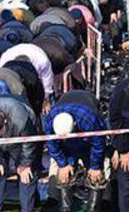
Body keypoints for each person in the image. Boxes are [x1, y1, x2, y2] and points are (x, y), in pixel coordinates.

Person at [46, 90, 106, 212]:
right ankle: (65, 209)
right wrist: (63, 164)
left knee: (96, 176)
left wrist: (95, 166)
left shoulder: (89, 119)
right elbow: (52, 144)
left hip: (88, 136)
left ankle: (93, 208)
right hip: (67, 144)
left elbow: (98, 144)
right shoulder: (51, 120)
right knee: (64, 174)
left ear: (74, 124)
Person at [110, 79, 129, 210]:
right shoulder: (121, 92)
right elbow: (116, 123)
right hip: (126, 143)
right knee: (126, 184)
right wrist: (122, 150)